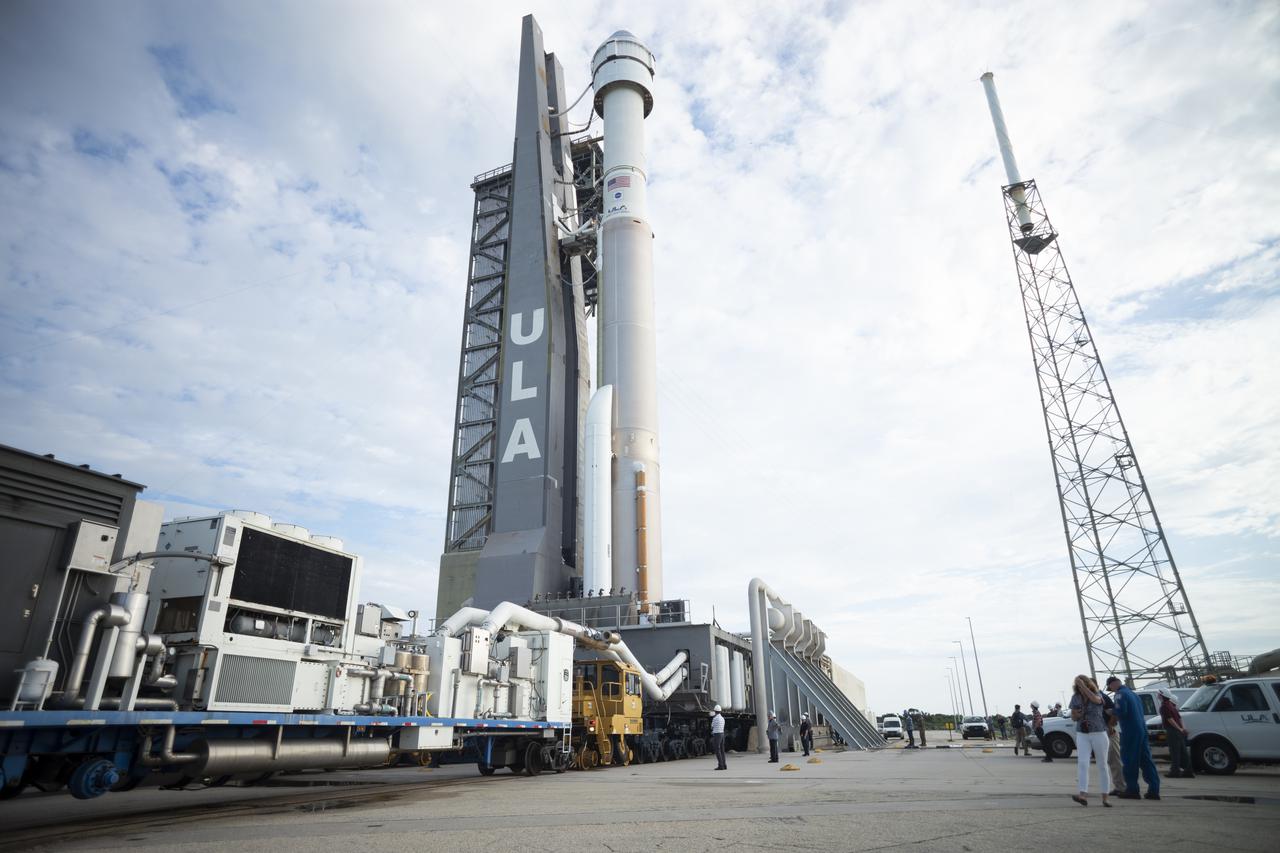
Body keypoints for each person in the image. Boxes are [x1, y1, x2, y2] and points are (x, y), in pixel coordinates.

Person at [1106, 675, 1160, 800]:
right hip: (1142, 729)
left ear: (1113, 684)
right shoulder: (1133, 694)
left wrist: (1111, 719)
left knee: (1129, 760)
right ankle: (1154, 790)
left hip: (1130, 730)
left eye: (1111, 688)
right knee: (1146, 760)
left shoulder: (1119, 694)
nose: (1112, 691)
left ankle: (1132, 790)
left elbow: (1121, 711)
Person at [1068, 675, 1111, 807]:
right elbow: (1073, 716)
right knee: (1082, 763)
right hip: (1082, 733)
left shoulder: (1097, 694)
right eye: (1077, 685)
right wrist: (1077, 715)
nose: (1079, 687)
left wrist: (1084, 687)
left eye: (1081, 684)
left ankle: (1105, 797)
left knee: (1102, 765)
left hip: (1098, 732)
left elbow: (1096, 700)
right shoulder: (1075, 697)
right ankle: (1083, 794)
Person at [1158, 688, 1195, 779]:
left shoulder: (1164, 706)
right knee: (1183, 752)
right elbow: (1179, 718)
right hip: (1179, 732)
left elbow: (1170, 719)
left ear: (1162, 696)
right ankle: (1188, 771)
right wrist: (1182, 729)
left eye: (1158, 694)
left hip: (1172, 731)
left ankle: (1175, 772)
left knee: (1175, 752)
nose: (1157, 695)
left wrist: (1179, 728)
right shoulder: (1171, 705)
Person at [1102, 689, 1124, 795]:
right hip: (1106, 731)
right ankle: (1119, 786)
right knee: (1112, 760)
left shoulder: (1103, 698)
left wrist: (1110, 725)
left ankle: (1122, 787)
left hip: (1110, 731)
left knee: (1115, 759)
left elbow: (1114, 713)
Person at [710, 704, 727, 770]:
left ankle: (720, 765)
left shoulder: (715, 718)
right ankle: (724, 765)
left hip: (717, 735)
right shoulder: (722, 718)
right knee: (722, 750)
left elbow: (712, 727)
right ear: (720, 711)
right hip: (722, 734)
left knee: (717, 750)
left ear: (715, 711)